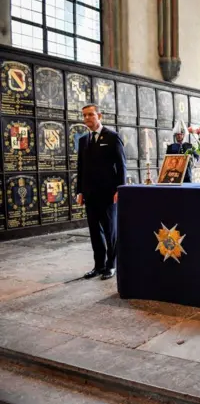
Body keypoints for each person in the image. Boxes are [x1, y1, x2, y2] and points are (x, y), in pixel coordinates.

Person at [76, 103, 126, 280]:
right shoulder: (83, 140)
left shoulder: (112, 137)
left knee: (110, 230)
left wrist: (120, 189)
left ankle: (111, 265)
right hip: (90, 194)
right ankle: (98, 265)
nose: (87, 118)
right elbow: (80, 168)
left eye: (90, 114)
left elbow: (121, 165)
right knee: (95, 232)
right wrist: (79, 191)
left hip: (108, 193)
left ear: (99, 116)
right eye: (84, 115)